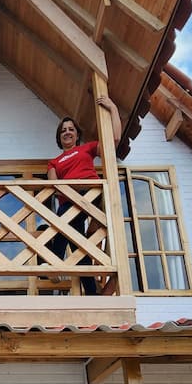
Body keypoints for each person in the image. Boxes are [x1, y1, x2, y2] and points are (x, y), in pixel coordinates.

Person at [47, 97, 121, 295]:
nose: (67, 132)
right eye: (63, 130)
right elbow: (54, 186)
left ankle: (56, 261)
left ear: (77, 134)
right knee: (79, 247)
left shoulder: (86, 148)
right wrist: (67, 190)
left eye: (71, 129)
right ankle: (92, 293)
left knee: (64, 223)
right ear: (59, 137)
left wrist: (113, 108)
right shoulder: (54, 162)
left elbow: (114, 141)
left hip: (90, 193)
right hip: (69, 201)